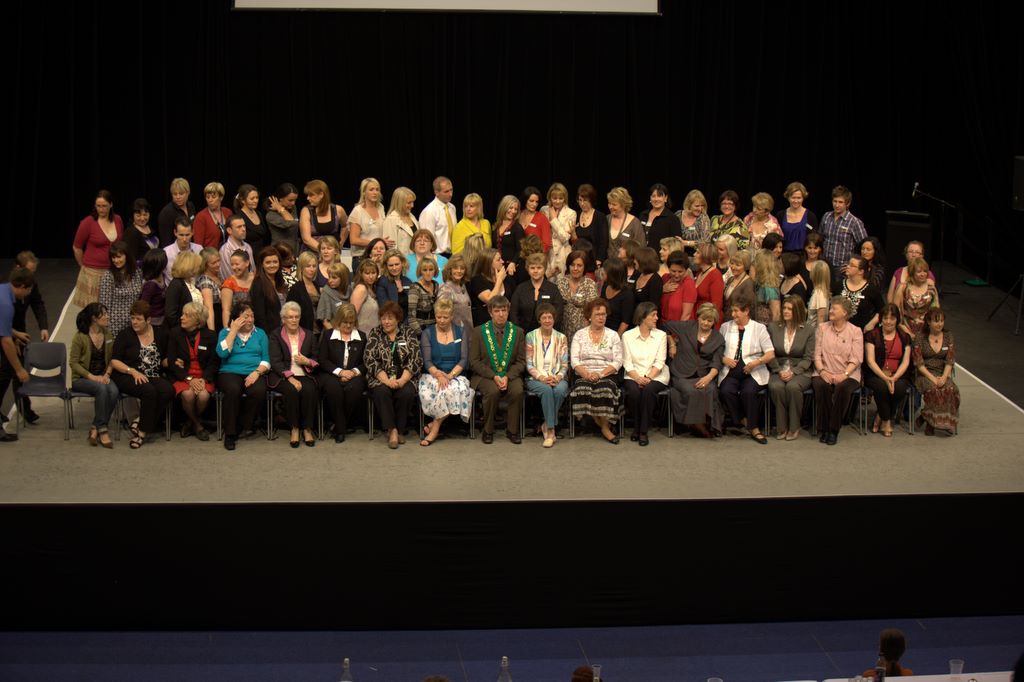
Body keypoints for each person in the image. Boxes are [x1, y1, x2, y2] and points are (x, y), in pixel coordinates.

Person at [110, 300, 174, 450]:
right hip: (126, 374)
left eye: (138, 319)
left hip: (152, 374)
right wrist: (132, 371)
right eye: (132, 318)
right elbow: (114, 361)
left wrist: (172, 362)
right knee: (149, 391)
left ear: (148, 320)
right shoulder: (125, 335)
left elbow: (163, 359)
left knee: (168, 390)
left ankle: (140, 420)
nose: (134, 322)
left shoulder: (160, 333)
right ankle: (141, 434)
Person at [365, 300, 423, 449]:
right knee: (382, 392)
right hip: (380, 378)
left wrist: (402, 380)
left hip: (405, 377)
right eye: (383, 318)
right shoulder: (375, 333)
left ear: (397, 319)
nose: (386, 322)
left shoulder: (408, 332)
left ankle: (399, 429)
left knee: (406, 393)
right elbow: (369, 359)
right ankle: (393, 430)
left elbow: (416, 359)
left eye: (390, 318)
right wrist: (386, 380)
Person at [470, 295, 526, 445]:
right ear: (490, 313)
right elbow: (474, 362)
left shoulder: (518, 332)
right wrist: (494, 376)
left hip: (510, 374)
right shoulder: (478, 332)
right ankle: (488, 430)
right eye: (497, 311)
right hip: (485, 375)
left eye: (504, 310)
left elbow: (521, 362)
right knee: (492, 391)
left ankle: (512, 430)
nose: (501, 314)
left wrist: (507, 376)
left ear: (508, 311)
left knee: (517, 390)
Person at [719, 297, 775, 444]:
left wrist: (756, 363)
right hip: (731, 371)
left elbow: (770, 353)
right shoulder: (725, 327)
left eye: (736, 311)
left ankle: (754, 428)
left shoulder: (759, 328)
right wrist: (724, 359)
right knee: (726, 391)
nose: (733, 314)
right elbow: (717, 349)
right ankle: (743, 420)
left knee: (748, 392)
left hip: (753, 371)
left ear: (746, 311)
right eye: (732, 311)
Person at [664, 303, 724, 437]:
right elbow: (664, 325)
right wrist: (672, 343)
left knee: (710, 389)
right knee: (691, 390)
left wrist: (708, 378)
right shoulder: (686, 327)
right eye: (703, 319)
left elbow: (717, 362)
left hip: (704, 374)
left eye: (709, 321)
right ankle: (696, 424)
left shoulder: (718, 338)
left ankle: (706, 423)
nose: (705, 323)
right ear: (698, 317)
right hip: (682, 373)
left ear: (714, 322)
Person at [216, 301, 270, 450]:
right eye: (246, 316)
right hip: (230, 372)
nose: (250, 320)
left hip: (254, 371)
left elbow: (266, 359)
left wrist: (257, 372)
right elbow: (222, 354)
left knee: (258, 391)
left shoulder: (260, 333)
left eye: (252, 316)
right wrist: (233, 331)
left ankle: (243, 424)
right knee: (233, 390)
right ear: (236, 318)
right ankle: (230, 434)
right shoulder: (225, 332)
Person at [418, 298, 472, 446]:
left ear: (452, 316)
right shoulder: (427, 333)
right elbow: (427, 361)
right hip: (432, 375)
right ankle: (435, 426)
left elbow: (464, 359)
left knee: (454, 389)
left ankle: (434, 427)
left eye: (445, 317)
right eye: (439, 317)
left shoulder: (461, 332)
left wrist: (450, 376)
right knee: (441, 389)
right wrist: (439, 375)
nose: (441, 320)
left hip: (455, 375)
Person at [570, 298, 624, 443]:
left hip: (606, 373)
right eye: (597, 314)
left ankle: (605, 428)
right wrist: (587, 374)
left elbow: (618, 361)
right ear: (589, 316)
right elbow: (574, 360)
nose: (601, 317)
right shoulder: (579, 335)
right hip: (584, 373)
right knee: (584, 388)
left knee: (604, 389)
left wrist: (599, 374)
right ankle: (599, 422)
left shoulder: (613, 335)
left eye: (603, 314)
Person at [813, 296, 864, 446]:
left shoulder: (855, 331)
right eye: (831, 308)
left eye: (834, 308)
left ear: (845, 312)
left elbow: (856, 358)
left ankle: (833, 430)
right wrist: (822, 371)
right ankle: (824, 428)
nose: (830, 311)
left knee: (842, 388)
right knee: (821, 386)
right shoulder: (822, 328)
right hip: (824, 370)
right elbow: (816, 354)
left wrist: (845, 374)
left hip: (848, 373)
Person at [268, 301, 320, 448]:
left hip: (305, 373)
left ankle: (307, 429)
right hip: (282, 375)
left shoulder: (309, 335)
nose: (294, 320)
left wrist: (307, 361)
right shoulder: (275, 335)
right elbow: (275, 360)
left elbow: (316, 358)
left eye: (297, 317)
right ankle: (295, 428)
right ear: (283, 319)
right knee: (291, 390)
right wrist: (290, 377)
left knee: (310, 390)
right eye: (290, 317)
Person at [69, 303, 119, 448]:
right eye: (104, 314)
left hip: (102, 375)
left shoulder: (108, 334)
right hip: (82, 379)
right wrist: (92, 377)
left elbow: (112, 358)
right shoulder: (80, 337)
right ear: (94, 318)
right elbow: (73, 363)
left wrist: (107, 374)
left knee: (114, 391)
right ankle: (103, 430)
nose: (107, 316)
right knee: (101, 389)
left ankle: (95, 427)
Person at [167, 301, 218, 441]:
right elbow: (171, 362)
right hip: (182, 375)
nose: (181, 317)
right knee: (188, 394)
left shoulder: (211, 336)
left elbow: (214, 362)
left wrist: (204, 379)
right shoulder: (175, 333)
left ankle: (190, 422)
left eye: (186, 315)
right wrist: (189, 379)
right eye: (182, 314)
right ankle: (198, 426)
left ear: (197, 320)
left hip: (203, 376)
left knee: (203, 396)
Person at [522, 301, 570, 448]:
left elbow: (564, 364)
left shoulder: (561, 338)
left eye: (550, 317)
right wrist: (542, 378)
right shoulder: (530, 336)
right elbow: (529, 364)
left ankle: (545, 424)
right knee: (546, 390)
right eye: (544, 317)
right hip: (535, 378)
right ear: (539, 320)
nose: (547, 320)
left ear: (554, 319)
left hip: (556, 377)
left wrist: (558, 377)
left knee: (560, 390)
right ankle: (550, 430)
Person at [767, 296, 816, 440]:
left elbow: (808, 358)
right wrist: (778, 370)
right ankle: (781, 427)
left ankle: (794, 427)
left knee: (793, 387)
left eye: (790, 309)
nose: (786, 311)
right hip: (778, 369)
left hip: (800, 370)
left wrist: (794, 372)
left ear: (798, 311)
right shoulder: (773, 327)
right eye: (784, 308)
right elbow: (769, 353)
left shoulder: (808, 330)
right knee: (776, 387)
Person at [318, 303, 366, 443]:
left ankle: (339, 427)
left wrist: (352, 372)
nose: (348, 325)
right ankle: (342, 428)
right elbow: (322, 360)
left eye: (351, 322)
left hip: (354, 375)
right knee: (334, 389)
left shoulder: (362, 337)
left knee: (354, 389)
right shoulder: (328, 335)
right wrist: (340, 372)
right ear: (338, 321)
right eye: (345, 322)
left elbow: (366, 362)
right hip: (331, 374)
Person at [622, 302, 668, 446]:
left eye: (657, 315)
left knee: (648, 391)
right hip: (633, 374)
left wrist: (648, 378)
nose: (657, 318)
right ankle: (637, 427)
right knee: (634, 392)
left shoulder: (661, 335)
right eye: (653, 315)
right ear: (642, 317)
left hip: (656, 375)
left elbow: (660, 362)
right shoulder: (627, 336)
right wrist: (637, 378)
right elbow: (627, 362)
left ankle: (642, 431)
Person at [864, 304, 912, 438]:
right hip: (875, 374)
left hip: (898, 375)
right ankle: (887, 421)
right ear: (881, 319)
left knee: (900, 389)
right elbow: (870, 361)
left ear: (897, 319)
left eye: (892, 318)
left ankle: (880, 415)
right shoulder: (872, 335)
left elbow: (906, 362)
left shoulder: (905, 337)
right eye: (885, 318)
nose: (888, 322)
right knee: (882, 387)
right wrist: (886, 378)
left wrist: (894, 378)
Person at [0, 269, 36, 441]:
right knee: (6, 372)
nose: (28, 294)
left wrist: (15, 333)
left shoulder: (3, 290)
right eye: (28, 290)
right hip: (5, 341)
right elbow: (5, 342)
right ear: (22, 287)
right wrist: (20, 369)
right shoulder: (7, 304)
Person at [72, 189, 125, 307]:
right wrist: (83, 265)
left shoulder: (117, 220)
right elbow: (77, 247)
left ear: (111, 205)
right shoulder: (88, 222)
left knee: (112, 306)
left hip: (113, 270)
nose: (101, 209)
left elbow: (121, 244)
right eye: (98, 206)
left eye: (104, 206)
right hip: (93, 274)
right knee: (94, 309)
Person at [913, 307, 959, 435]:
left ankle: (928, 418)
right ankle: (932, 423)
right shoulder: (920, 337)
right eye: (936, 321)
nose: (939, 324)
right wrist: (933, 379)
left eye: (942, 321)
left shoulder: (948, 336)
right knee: (934, 390)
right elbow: (918, 363)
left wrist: (943, 378)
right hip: (924, 374)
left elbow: (950, 360)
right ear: (928, 322)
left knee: (951, 390)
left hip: (942, 373)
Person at [99, 240, 144, 339]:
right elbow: (104, 306)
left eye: (119, 257)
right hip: (115, 327)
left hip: (134, 324)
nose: (116, 260)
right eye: (113, 257)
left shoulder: (137, 272)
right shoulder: (108, 276)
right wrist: (106, 328)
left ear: (127, 256)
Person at [819, 185, 867, 275]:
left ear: (847, 204)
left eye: (840, 202)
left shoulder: (855, 222)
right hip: (825, 265)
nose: (837, 205)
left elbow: (864, 247)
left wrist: (853, 265)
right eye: (835, 201)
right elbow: (820, 238)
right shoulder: (826, 217)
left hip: (842, 269)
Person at [510, 252, 563, 333]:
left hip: (547, 333)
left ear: (544, 269)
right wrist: (519, 332)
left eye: (539, 268)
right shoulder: (520, 288)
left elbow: (558, 313)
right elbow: (513, 313)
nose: (535, 271)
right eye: (532, 268)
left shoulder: (553, 289)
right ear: (528, 269)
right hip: (523, 334)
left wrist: (549, 331)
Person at [556, 250, 599, 342]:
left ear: (584, 267)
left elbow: (593, 310)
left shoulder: (590, 284)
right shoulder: (560, 282)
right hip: (561, 331)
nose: (575, 268)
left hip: (583, 333)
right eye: (572, 265)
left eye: (579, 265)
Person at [834, 255, 885, 331]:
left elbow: (882, 309)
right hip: (839, 330)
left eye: (852, 265)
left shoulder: (871, 289)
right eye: (848, 264)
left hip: (861, 331)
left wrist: (872, 323)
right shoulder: (839, 285)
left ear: (861, 271)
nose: (848, 266)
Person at [299, 179, 348, 254]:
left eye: (311, 195)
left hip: (332, 255)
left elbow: (346, 226)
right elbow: (306, 238)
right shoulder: (306, 211)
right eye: (307, 195)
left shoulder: (338, 210)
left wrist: (340, 243)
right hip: (311, 255)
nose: (307, 198)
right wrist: (325, 251)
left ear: (321, 194)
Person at [895, 257, 939, 337]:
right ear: (912, 273)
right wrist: (909, 334)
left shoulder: (931, 289)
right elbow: (894, 313)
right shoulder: (903, 288)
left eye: (925, 271)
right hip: (904, 330)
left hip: (926, 331)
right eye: (919, 271)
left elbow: (936, 313)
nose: (923, 274)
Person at [541, 183, 577, 278]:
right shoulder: (544, 210)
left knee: (562, 284)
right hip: (547, 254)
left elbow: (565, 237)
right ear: (550, 198)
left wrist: (553, 219)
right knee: (547, 283)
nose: (557, 201)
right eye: (554, 198)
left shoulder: (571, 213)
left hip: (563, 253)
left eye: (561, 198)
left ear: (565, 198)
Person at [348, 177, 387, 263]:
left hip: (379, 257)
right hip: (362, 257)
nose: (375, 192)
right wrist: (377, 243)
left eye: (377, 190)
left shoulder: (380, 208)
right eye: (371, 190)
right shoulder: (358, 211)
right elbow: (353, 240)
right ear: (364, 192)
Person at [468, 248, 510, 327]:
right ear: (489, 263)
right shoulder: (477, 280)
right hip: (485, 326)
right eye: (498, 260)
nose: (502, 261)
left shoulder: (507, 279)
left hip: (505, 325)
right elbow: (490, 300)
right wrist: (499, 280)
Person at [249, 246, 288, 331]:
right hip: (269, 332)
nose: (272, 265)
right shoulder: (258, 284)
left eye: (275, 262)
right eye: (268, 262)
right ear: (262, 265)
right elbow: (259, 316)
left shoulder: (281, 281)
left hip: (284, 330)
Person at [163, 251, 204, 330]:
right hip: (181, 331)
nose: (199, 268)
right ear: (190, 267)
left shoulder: (192, 282)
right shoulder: (176, 285)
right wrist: (183, 328)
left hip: (195, 329)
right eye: (197, 266)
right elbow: (170, 314)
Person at [418, 176, 456, 256]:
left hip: (453, 253)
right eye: (446, 191)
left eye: (451, 190)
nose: (450, 194)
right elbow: (426, 239)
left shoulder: (452, 208)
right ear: (436, 192)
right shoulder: (429, 211)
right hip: (437, 255)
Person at [776, 182, 818, 253]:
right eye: (793, 197)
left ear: (803, 198)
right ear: (788, 197)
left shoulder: (811, 216)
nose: (796, 201)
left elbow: (814, 239)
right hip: (784, 255)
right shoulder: (780, 215)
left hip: (804, 256)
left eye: (799, 198)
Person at [575, 184, 608, 268]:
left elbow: (603, 242)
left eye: (585, 200)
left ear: (591, 200)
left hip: (594, 262)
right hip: (577, 262)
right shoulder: (576, 215)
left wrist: (599, 261)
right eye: (580, 200)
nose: (582, 203)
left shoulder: (600, 217)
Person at [599, 257, 635, 336]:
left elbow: (625, 323)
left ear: (612, 274)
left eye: (605, 270)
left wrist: (615, 339)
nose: (602, 272)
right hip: (602, 330)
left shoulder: (627, 294)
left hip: (616, 334)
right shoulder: (605, 285)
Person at [287, 251, 321, 333]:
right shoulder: (296, 289)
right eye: (308, 266)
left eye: (314, 266)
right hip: (303, 331)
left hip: (318, 330)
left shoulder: (316, 285)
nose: (312, 269)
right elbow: (290, 313)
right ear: (301, 267)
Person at [161, 215, 202, 285]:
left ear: (192, 232)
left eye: (187, 235)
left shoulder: (199, 249)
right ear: (175, 232)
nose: (184, 239)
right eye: (181, 235)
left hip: (195, 289)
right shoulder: (166, 253)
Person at [692, 243, 725, 327]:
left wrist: (707, 323)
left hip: (708, 322)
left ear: (705, 255)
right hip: (698, 318)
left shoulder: (715, 275)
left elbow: (716, 305)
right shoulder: (699, 272)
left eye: (697, 252)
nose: (694, 254)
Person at [606, 186, 644, 258]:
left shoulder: (635, 223)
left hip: (627, 264)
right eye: (609, 203)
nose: (610, 207)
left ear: (623, 205)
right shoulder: (606, 219)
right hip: (607, 263)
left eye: (614, 204)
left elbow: (640, 248)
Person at [660, 250, 697, 323]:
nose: (676, 275)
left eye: (680, 272)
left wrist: (678, 329)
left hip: (679, 326)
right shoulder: (664, 278)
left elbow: (686, 315)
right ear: (668, 268)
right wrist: (661, 289)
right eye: (673, 271)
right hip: (663, 325)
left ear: (686, 270)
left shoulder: (688, 284)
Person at [192, 181, 232, 248]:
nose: (210, 200)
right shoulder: (201, 217)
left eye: (213, 197)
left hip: (228, 252)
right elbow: (198, 246)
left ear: (221, 197)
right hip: (209, 254)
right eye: (208, 197)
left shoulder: (228, 212)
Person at [439, 254, 473, 332]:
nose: (459, 271)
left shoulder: (463, 286)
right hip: (454, 333)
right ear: (450, 270)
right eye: (455, 268)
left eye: (462, 268)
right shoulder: (446, 289)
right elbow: (442, 315)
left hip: (468, 331)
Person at [220, 249, 253, 329]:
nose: (234, 267)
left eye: (237, 264)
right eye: (232, 265)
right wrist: (227, 330)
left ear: (247, 263)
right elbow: (226, 310)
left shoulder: (256, 278)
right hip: (237, 324)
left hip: (255, 321)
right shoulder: (229, 283)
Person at [157, 178, 196, 246]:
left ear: (188, 193)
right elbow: (166, 241)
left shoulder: (191, 206)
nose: (178, 197)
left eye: (181, 194)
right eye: (175, 194)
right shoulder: (166, 213)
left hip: (190, 247)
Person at [407, 257, 440, 335]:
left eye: (431, 269)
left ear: (435, 271)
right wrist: (422, 334)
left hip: (436, 329)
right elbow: (411, 319)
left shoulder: (436, 285)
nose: (428, 273)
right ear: (420, 271)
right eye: (425, 270)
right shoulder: (415, 288)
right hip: (420, 330)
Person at [265, 182, 301, 254]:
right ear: (280, 198)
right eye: (290, 200)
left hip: (295, 250)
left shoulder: (293, 208)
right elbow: (292, 222)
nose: (293, 203)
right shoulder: (271, 215)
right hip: (280, 252)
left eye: (295, 200)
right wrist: (280, 208)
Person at [382, 186, 419, 254]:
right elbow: (391, 249)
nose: (412, 205)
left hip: (416, 258)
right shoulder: (391, 220)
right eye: (409, 203)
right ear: (400, 203)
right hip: (402, 259)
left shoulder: (412, 216)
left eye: (412, 202)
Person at [316, 261, 351, 332]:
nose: (330, 281)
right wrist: (337, 335)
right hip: (333, 333)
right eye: (329, 277)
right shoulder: (326, 292)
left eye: (334, 278)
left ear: (343, 278)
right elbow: (325, 321)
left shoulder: (350, 290)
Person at [492, 194, 525, 270]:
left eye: (515, 209)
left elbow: (521, 249)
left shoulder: (517, 228)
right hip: (497, 267)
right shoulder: (496, 226)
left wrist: (513, 262)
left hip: (512, 268)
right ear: (504, 207)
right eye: (511, 208)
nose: (513, 211)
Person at [123, 198, 160, 265]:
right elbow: (130, 259)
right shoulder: (131, 232)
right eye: (138, 215)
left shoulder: (150, 227)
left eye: (145, 215)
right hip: (140, 270)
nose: (142, 218)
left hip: (154, 268)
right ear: (133, 215)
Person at [376, 249, 412, 317]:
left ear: (402, 263)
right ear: (386, 266)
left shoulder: (408, 281)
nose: (394, 268)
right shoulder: (382, 282)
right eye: (391, 265)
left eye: (397, 264)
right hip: (390, 320)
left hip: (407, 321)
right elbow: (385, 308)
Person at [138, 249, 168, 328]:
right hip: (153, 324)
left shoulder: (162, 276)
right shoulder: (150, 285)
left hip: (162, 320)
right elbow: (143, 306)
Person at [196, 247, 224, 331]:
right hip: (215, 320)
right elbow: (209, 308)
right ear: (205, 264)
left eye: (218, 260)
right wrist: (212, 332)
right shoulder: (205, 281)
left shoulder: (218, 275)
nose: (218, 264)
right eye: (213, 263)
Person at [219, 215, 254, 280]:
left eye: (244, 226)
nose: (243, 229)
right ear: (229, 230)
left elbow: (252, 271)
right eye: (239, 227)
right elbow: (228, 277)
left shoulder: (247, 246)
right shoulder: (225, 250)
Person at [518, 186, 552, 253]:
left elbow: (546, 244)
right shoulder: (518, 215)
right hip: (518, 256)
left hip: (535, 257)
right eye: (531, 201)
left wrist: (534, 255)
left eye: (537, 202)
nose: (534, 204)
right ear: (525, 200)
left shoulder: (542, 218)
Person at [752, 249, 782, 325]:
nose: (754, 264)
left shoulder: (770, 287)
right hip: (758, 325)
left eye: (756, 261)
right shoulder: (759, 283)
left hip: (767, 327)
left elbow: (776, 314)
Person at [351, 259, 381, 333]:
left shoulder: (374, 288)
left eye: (373, 273)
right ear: (361, 274)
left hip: (373, 333)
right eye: (367, 273)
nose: (371, 276)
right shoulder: (361, 289)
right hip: (361, 334)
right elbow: (352, 315)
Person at [722, 250, 754, 314]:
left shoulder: (748, 283)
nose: (733, 267)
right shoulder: (730, 279)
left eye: (738, 265)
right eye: (732, 263)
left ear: (745, 266)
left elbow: (749, 307)